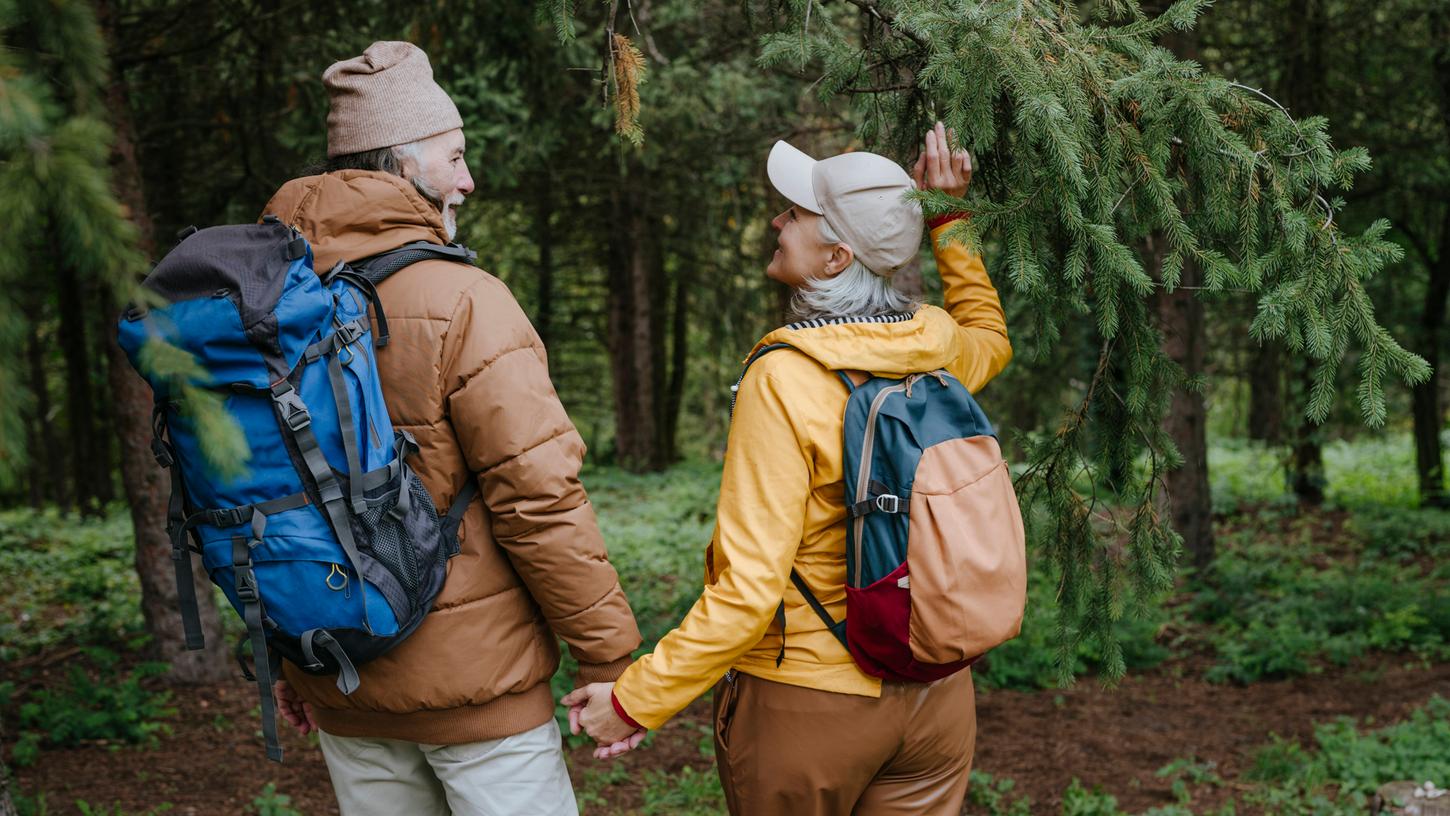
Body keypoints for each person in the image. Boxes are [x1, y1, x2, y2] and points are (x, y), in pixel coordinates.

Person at [563, 122, 1012, 815]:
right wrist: (951, 219)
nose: (777, 220)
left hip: (809, 705)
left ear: (836, 257)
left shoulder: (784, 377)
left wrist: (636, 699)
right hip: (937, 699)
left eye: (796, 214)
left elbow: (748, 591)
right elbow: (990, 335)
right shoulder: (937, 345)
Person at [263, 41, 642, 816]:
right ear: (402, 168)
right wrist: (608, 655)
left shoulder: (269, 303)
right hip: (480, 694)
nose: (468, 179)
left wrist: (287, 658)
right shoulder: (462, 299)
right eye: (455, 156)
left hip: (339, 671)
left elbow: (264, 491)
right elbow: (538, 496)